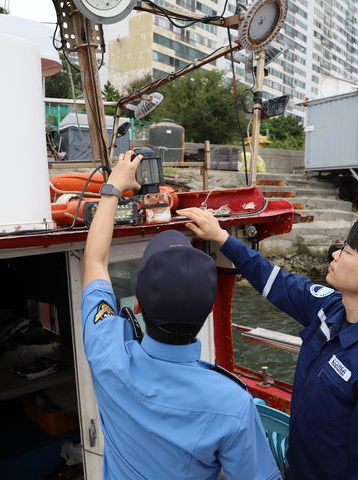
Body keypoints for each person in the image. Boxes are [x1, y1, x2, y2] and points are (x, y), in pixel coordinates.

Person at [178, 209, 358, 480]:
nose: (334, 254)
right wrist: (222, 238)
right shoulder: (331, 307)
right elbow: (277, 283)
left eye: (347, 251)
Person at [82, 150, 281, 480]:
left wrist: (113, 186)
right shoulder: (232, 402)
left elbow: (94, 262)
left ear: (138, 307)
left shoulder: (109, 353)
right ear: (206, 313)